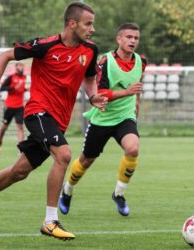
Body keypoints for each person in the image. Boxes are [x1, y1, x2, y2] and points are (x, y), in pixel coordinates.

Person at [0, 2, 107, 241]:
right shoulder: (45, 45)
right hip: (38, 112)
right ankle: (50, 221)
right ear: (72, 23)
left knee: (19, 172)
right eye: (88, 24)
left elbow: (89, 77)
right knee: (65, 155)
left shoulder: (90, 50)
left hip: (58, 121)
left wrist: (93, 95)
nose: (92, 29)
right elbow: (5, 55)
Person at [59, 23, 147, 217]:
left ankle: (119, 194)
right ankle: (67, 190)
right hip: (102, 119)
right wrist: (127, 92)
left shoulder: (141, 61)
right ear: (119, 39)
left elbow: (137, 88)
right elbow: (100, 93)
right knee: (87, 160)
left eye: (136, 38)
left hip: (125, 117)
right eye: (129, 37)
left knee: (133, 148)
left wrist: (136, 107)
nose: (133, 41)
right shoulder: (105, 61)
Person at [0, 62, 26, 154]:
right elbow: (2, 88)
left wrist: (25, 89)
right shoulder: (11, 77)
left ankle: (20, 149)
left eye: (22, 66)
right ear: (16, 68)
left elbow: (20, 89)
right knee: (4, 127)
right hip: (9, 106)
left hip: (20, 106)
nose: (21, 68)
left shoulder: (24, 77)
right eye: (19, 66)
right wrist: (13, 88)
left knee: (20, 127)